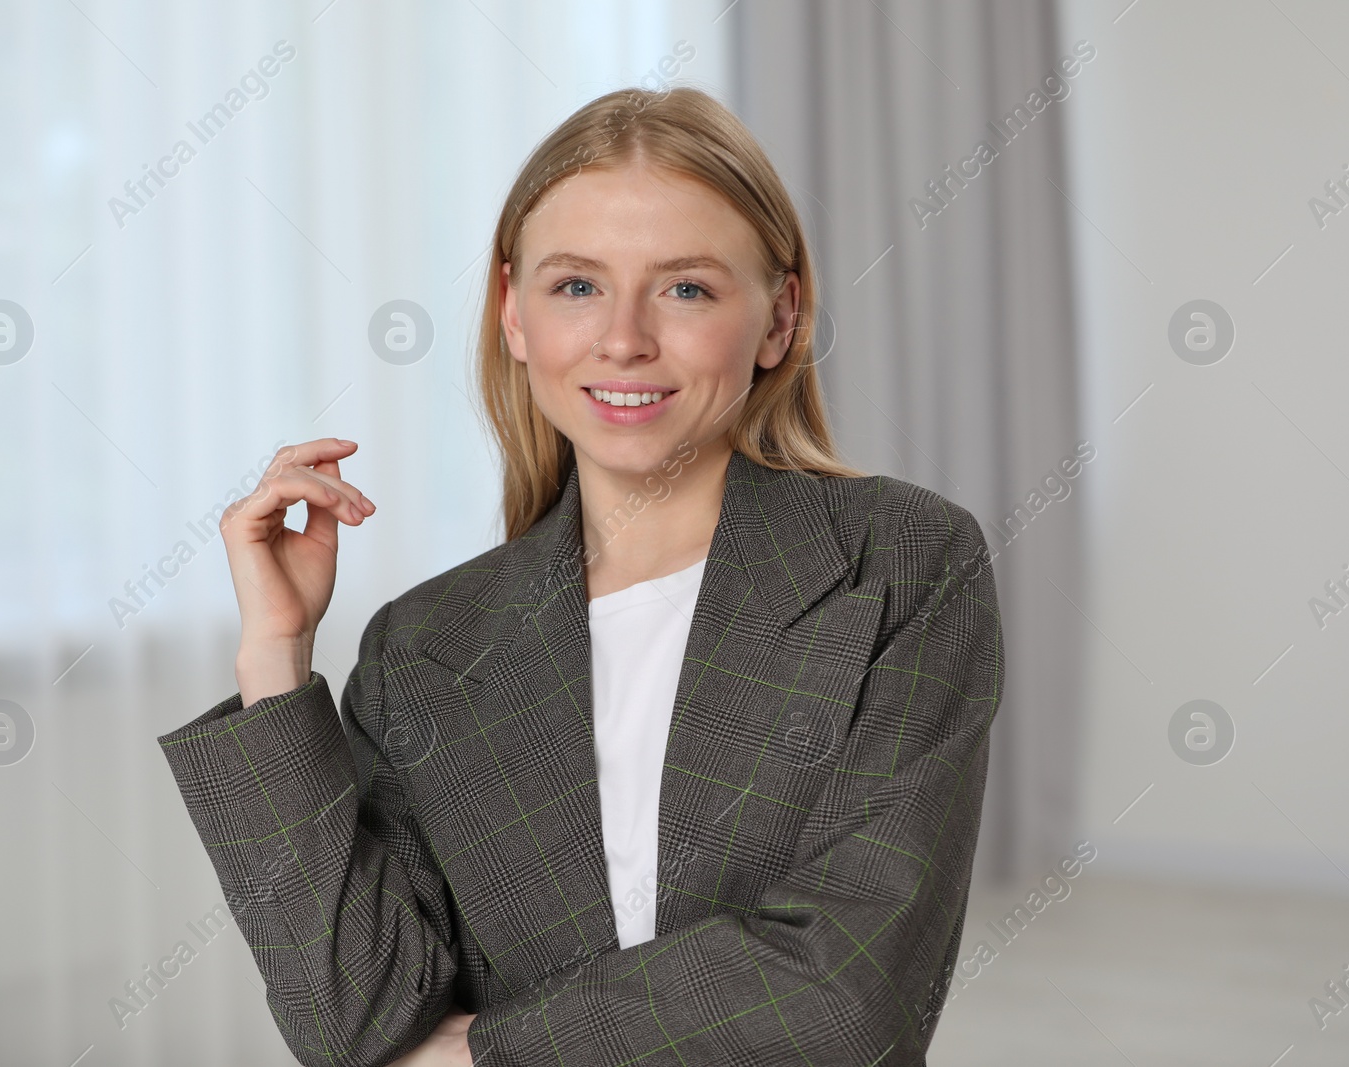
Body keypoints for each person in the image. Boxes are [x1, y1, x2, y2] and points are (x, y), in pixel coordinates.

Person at [158, 85, 1003, 1067]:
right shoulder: (423, 643)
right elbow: (352, 1015)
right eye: (576, 286)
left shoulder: (899, 562)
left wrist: (477, 1052)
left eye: (686, 287)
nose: (623, 338)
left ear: (779, 317)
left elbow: (847, 996)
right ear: (513, 315)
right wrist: (276, 654)